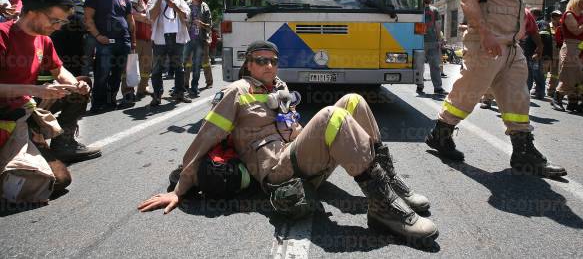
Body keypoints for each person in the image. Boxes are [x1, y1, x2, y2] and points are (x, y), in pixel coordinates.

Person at [138, 40, 437, 244]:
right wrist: (180, 189)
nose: (269, 66)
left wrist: (315, 139)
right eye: (261, 61)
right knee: (332, 115)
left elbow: (293, 126)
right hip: (278, 172)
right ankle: (383, 210)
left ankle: (391, 185)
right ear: (248, 65)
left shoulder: (280, 88)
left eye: (273, 61)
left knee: (354, 100)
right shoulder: (236, 92)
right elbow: (205, 138)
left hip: (299, 159)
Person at [424, 0, 566, 178]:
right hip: (485, 45)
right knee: (467, 93)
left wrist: (521, 31)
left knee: (518, 97)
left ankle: (523, 151)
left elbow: (514, 8)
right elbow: (469, 2)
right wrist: (486, 33)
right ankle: (441, 133)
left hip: (511, 48)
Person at [1, 0, 100, 168]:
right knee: (56, 182)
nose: (58, 27)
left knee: (82, 82)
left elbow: (59, 70)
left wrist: (74, 85)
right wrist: (37, 90)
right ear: (32, 12)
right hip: (6, 114)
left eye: (62, 22)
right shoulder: (3, 35)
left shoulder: (44, 39)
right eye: (55, 21)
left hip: (27, 106)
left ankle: (63, 143)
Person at [84, 0, 136, 112]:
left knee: (117, 74)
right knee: (102, 74)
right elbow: (88, 19)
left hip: (123, 43)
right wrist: (98, 36)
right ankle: (97, 103)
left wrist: (132, 41)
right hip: (105, 43)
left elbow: (131, 22)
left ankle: (110, 101)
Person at [148, 0, 191, 106]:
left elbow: (186, 17)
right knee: (157, 68)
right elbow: (151, 16)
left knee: (179, 67)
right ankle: (157, 95)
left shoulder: (180, 1)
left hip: (176, 38)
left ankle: (179, 93)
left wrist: (174, 6)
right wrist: (160, 0)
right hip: (161, 38)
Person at [551, 0, 583, 112]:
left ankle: (573, 102)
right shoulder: (569, 14)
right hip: (572, 47)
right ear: (578, 1)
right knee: (569, 74)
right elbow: (576, 31)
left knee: (580, 76)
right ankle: (557, 98)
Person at [51, 0, 88, 77]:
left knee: (76, 72)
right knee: (57, 70)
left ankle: (73, 93)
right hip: (59, 38)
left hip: (78, 40)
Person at [121, 0, 153, 100]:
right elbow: (134, 16)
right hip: (134, 37)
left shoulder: (146, 0)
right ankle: (128, 91)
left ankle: (142, 88)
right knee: (130, 66)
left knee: (147, 66)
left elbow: (153, 15)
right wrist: (148, 18)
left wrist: (147, 18)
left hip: (148, 38)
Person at [417, 0, 447, 96]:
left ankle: (438, 88)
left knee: (435, 65)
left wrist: (439, 40)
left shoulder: (435, 10)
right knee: (419, 65)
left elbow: (438, 26)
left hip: (432, 41)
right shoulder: (417, 9)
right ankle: (420, 85)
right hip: (418, 42)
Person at [183, 0, 212, 96]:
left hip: (200, 40)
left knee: (198, 64)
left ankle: (195, 86)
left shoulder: (205, 7)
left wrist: (202, 24)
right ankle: (184, 85)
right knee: (185, 63)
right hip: (187, 39)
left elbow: (209, 25)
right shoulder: (185, 5)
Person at [546, 10, 563, 97]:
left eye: (558, 17)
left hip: (557, 54)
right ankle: (537, 87)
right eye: (554, 17)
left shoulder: (563, 27)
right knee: (543, 71)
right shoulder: (547, 26)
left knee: (555, 73)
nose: (556, 19)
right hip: (547, 53)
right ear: (551, 17)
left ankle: (551, 90)